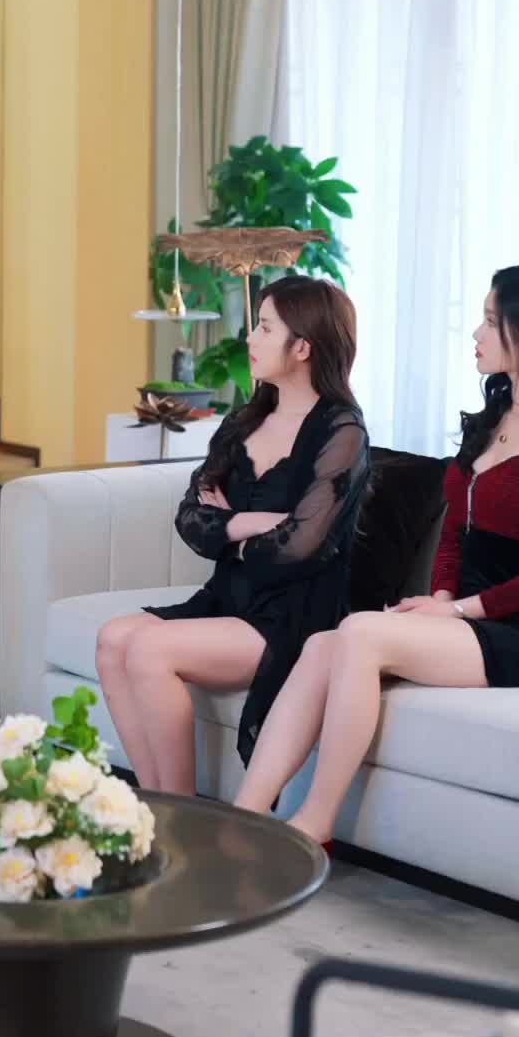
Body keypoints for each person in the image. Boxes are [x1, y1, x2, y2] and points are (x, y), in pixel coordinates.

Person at [236, 264, 519, 842]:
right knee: (323, 644)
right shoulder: (496, 416)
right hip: (462, 617)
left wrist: (454, 611)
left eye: (489, 322)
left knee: (358, 632)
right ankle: (245, 819)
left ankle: (314, 825)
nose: (475, 334)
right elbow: (454, 531)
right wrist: (443, 596)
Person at [95, 276, 370, 795]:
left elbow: (300, 546)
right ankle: (155, 807)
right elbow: (190, 518)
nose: (250, 337)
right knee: (112, 640)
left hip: (292, 616)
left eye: (265, 328)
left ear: (303, 347)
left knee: (149, 648)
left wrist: (231, 534)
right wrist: (249, 524)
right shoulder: (245, 419)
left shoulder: (342, 431)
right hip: (228, 597)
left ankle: (181, 813)